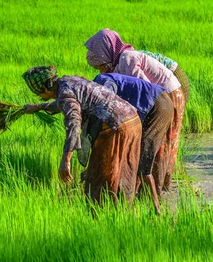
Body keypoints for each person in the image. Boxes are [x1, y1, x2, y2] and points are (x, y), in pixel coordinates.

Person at [84, 29, 185, 192]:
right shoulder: (118, 64)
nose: (101, 71)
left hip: (167, 95)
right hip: (160, 97)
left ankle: (157, 185)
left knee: (161, 141)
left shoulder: (127, 59)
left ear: (107, 55)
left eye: (101, 66)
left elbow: (148, 91)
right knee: (155, 142)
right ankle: (153, 184)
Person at [21, 66, 142, 203]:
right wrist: (38, 107)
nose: (40, 97)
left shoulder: (64, 93)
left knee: (100, 175)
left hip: (115, 126)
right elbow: (64, 103)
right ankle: (124, 210)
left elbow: (73, 124)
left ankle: (99, 214)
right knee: (125, 170)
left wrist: (65, 161)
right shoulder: (68, 80)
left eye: (39, 95)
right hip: (132, 120)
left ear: (45, 89)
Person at [93, 73, 173, 212]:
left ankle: (156, 209)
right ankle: (132, 200)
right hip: (156, 104)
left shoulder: (101, 82)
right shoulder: (94, 87)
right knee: (136, 158)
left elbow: (109, 99)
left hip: (158, 105)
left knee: (143, 162)